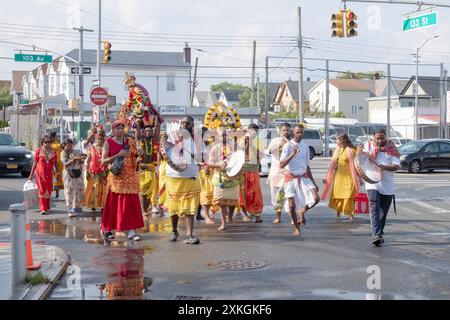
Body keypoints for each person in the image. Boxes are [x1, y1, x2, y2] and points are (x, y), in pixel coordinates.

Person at [101, 120, 144, 242]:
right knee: (115, 204)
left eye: (121, 128)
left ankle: (131, 230)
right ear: (113, 130)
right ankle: (109, 229)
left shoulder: (130, 141)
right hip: (117, 178)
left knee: (130, 205)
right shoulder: (108, 143)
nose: (120, 130)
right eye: (117, 128)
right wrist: (118, 155)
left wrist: (139, 153)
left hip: (130, 177)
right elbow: (103, 161)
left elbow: (134, 156)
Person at [356, 129, 400, 247]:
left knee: (383, 212)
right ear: (373, 137)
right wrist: (359, 153)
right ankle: (375, 234)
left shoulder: (391, 148)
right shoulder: (367, 146)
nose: (380, 141)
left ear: (385, 137)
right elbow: (360, 162)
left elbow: (396, 166)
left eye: (382, 138)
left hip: (387, 184)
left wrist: (385, 167)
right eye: (377, 138)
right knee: (374, 207)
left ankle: (379, 233)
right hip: (372, 182)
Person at [165, 116, 204, 244]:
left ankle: (189, 235)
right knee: (173, 207)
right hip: (173, 176)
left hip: (190, 175)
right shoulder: (172, 136)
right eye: (183, 122)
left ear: (192, 126)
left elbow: (203, 156)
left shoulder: (197, 139)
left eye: (187, 123)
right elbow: (164, 150)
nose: (184, 124)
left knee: (190, 207)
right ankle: (174, 231)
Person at [279, 124, 320, 236]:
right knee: (291, 204)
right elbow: (281, 165)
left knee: (316, 198)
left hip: (303, 176)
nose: (300, 134)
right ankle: (296, 228)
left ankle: (303, 210)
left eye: (302, 132)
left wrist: (314, 182)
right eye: (298, 132)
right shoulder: (288, 146)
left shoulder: (305, 146)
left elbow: (307, 166)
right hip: (291, 177)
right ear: (293, 133)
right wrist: (292, 154)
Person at [322, 133, 360, 221]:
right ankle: (338, 213)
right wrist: (328, 176)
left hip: (350, 176)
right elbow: (333, 163)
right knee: (338, 195)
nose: (336, 141)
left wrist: (360, 177)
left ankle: (351, 214)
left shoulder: (351, 150)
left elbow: (357, 163)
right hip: (338, 176)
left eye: (337, 140)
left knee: (349, 195)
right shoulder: (337, 150)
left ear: (342, 140)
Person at [208, 127, 240, 231]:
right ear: (218, 136)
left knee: (232, 201)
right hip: (220, 176)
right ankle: (223, 223)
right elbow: (210, 162)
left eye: (226, 135)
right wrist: (219, 164)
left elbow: (240, 160)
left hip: (233, 176)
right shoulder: (215, 148)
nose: (224, 137)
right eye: (222, 135)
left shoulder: (235, 148)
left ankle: (230, 216)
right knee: (221, 202)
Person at [239, 124, 264, 223]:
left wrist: (252, 144)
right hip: (243, 169)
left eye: (255, 131)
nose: (253, 132)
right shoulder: (241, 140)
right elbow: (240, 153)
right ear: (248, 130)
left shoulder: (259, 141)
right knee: (242, 191)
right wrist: (247, 143)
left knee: (255, 192)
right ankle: (243, 213)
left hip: (254, 169)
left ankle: (257, 213)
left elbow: (260, 156)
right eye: (252, 130)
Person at [266, 123, 292, 224]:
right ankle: (278, 217)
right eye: (283, 130)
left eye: (287, 130)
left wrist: (287, 142)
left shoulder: (292, 142)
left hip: (288, 172)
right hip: (276, 172)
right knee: (275, 196)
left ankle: (292, 217)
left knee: (289, 194)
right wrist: (281, 143)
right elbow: (270, 151)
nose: (285, 132)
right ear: (280, 131)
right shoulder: (274, 141)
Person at [28, 135, 58, 215]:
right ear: (42, 143)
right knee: (42, 190)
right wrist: (31, 175)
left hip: (49, 173)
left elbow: (55, 162)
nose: (47, 143)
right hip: (40, 174)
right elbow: (35, 163)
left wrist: (58, 172)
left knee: (48, 189)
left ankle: (47, 206)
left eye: (49, 142)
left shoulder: (54, 152)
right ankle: (43, 208)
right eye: (45, 142)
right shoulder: (39, 151)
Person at [137, 125, 160, 217]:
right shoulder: (140, 142)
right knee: (143, 191)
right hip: (142, 170)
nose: (148, 132)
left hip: (151, 169)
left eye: (150, 131)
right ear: (143, 133)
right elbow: (137, 133)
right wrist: (138, 123)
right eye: (146, 131)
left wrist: (157, 119)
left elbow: (157, 132)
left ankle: (145, 209)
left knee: (149, 193)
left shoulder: (154, 141)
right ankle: (143, 210)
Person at [83, 129, 108, 212]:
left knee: (103, 189)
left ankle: (103, 206)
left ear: (104, 140)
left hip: (104, 171)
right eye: (98, 139)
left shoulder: (106, 148)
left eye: (101, 139)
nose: (99, 141)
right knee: (93, 188)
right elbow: (88, 159)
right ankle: (93, 205)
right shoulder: (92, 147)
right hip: (93, 171)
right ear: (96, 140)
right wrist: (87, 170)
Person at [61, 139, 85, 218]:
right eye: (67, 145)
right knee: (69, 192)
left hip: (78, 173)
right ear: (65, 145)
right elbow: (65, 164)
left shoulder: (77, 151)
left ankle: (77, 208)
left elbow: (82, 159)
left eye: (71, 145)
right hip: (68, 174)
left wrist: (81, 159)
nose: (69, 147)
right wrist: (73, 160)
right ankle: (69, 210)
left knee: (80, 190)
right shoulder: (63, 153)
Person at [50, 132, 64, 200]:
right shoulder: (57, 145)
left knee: (53, 177)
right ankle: (57, 195)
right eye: (56, 136)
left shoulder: (49, 144)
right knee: (57, 178)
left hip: (52, 162)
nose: (57, 138)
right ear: (53, 137)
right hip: (57, 163)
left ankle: (50, 193)